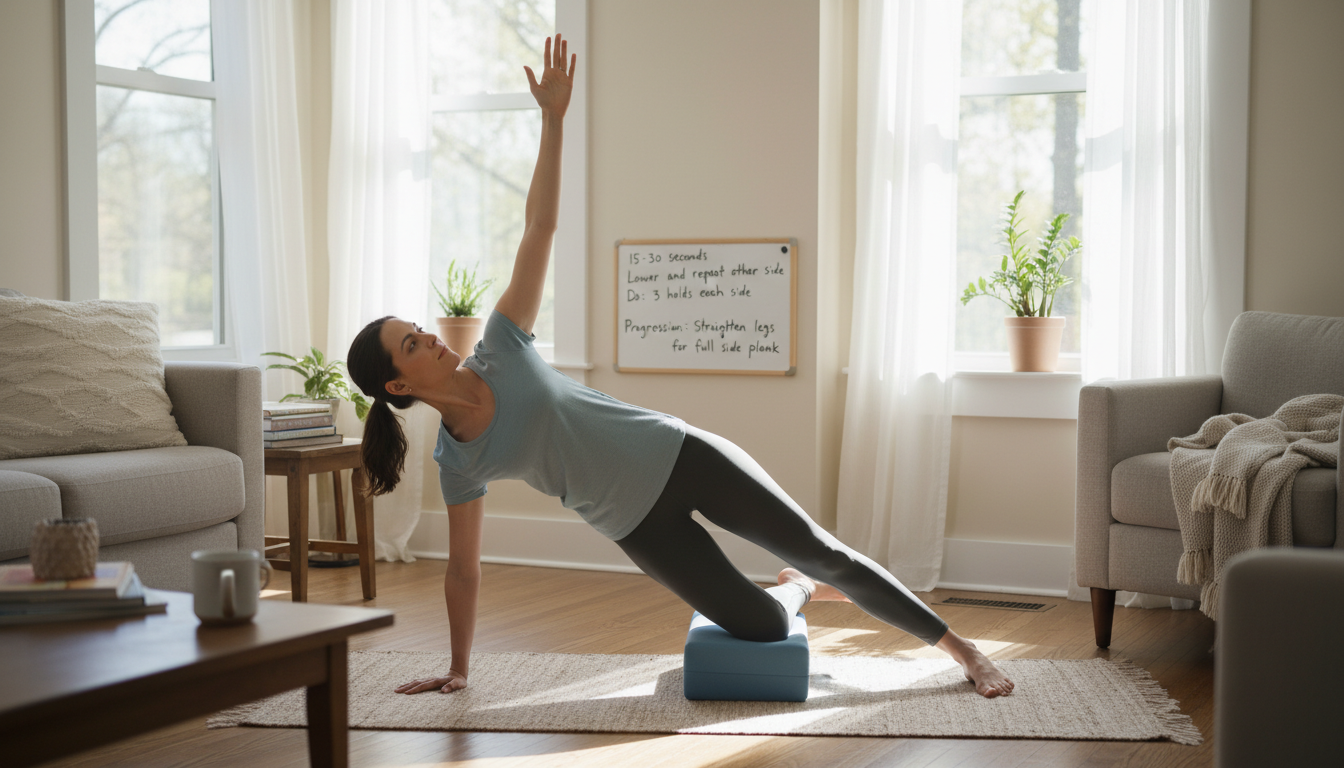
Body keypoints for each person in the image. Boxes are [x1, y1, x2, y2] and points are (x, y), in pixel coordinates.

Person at [346, 33, 1014, 700]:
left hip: (679, 454)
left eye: (420, 329)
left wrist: (552, 120)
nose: (430, 336)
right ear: (398, 386)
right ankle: (797, 592)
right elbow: (462, 572)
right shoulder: (458, 462)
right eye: (411, 345)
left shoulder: (502, 344)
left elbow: (539, 228)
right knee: (760, 626)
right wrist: (461, 667)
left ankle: (961, 650)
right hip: (636, 526)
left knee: (824, 550)